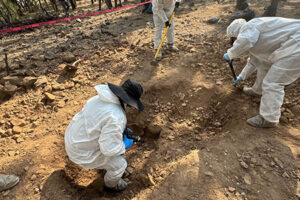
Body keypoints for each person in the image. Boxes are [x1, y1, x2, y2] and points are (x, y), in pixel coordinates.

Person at [64, 79, 144, 191]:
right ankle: (112, 186)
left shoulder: (98, 99)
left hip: (72, 138)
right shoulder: (116, 117)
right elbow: (109, 150)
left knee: (113, 145)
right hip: (81, 153)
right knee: (120, 164)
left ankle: (105, 165)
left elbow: (99, 123)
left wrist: (122, 130)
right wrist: (124, 145)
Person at [223, 17, 300, 128]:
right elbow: (254, 62)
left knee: (273, 83)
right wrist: (240, 77)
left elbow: (246, 40)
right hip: (292, 46)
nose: (234, 42)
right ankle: (257, 91)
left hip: (296, 48)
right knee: (264, 66)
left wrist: (231, 53)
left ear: (237, 33)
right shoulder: (257, 35)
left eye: (234, 39)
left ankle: (269, 118)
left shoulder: (250, 27)